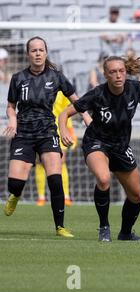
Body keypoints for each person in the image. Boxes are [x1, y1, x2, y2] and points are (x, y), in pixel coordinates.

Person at [58, 55, 140, 242]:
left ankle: (126, 233)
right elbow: (65, 113)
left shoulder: (134, 88)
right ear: (105, 74)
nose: (118, 75)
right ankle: (104, 227)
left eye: (121, 71)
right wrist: (63, 130)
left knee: (136, 195)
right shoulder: (97, 93)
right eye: (113, 72)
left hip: (120, 146)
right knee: (104, 179)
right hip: (97, 142)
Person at [2, 36, 82, 238]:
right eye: (33, 50)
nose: (37, 53)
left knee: (55, 179)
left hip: (47, 132)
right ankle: (16, 195)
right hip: (24, 134)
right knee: (15, 184)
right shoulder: (18, 78)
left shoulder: (57, 77)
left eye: (41, 50)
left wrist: (87, 118)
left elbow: (77, 101)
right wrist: (12, 119)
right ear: (28, 54)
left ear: (46, 53)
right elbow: (11, 107)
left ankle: (60, 227)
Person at [35, 91, 78, 207]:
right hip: (40, 129)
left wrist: (70, 130)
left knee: (61, 161)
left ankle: (66, 196)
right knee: (40, 162)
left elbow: (66, 111)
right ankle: (41, 197)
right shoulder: (37, 87)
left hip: (59, 129)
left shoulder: (61, 90)